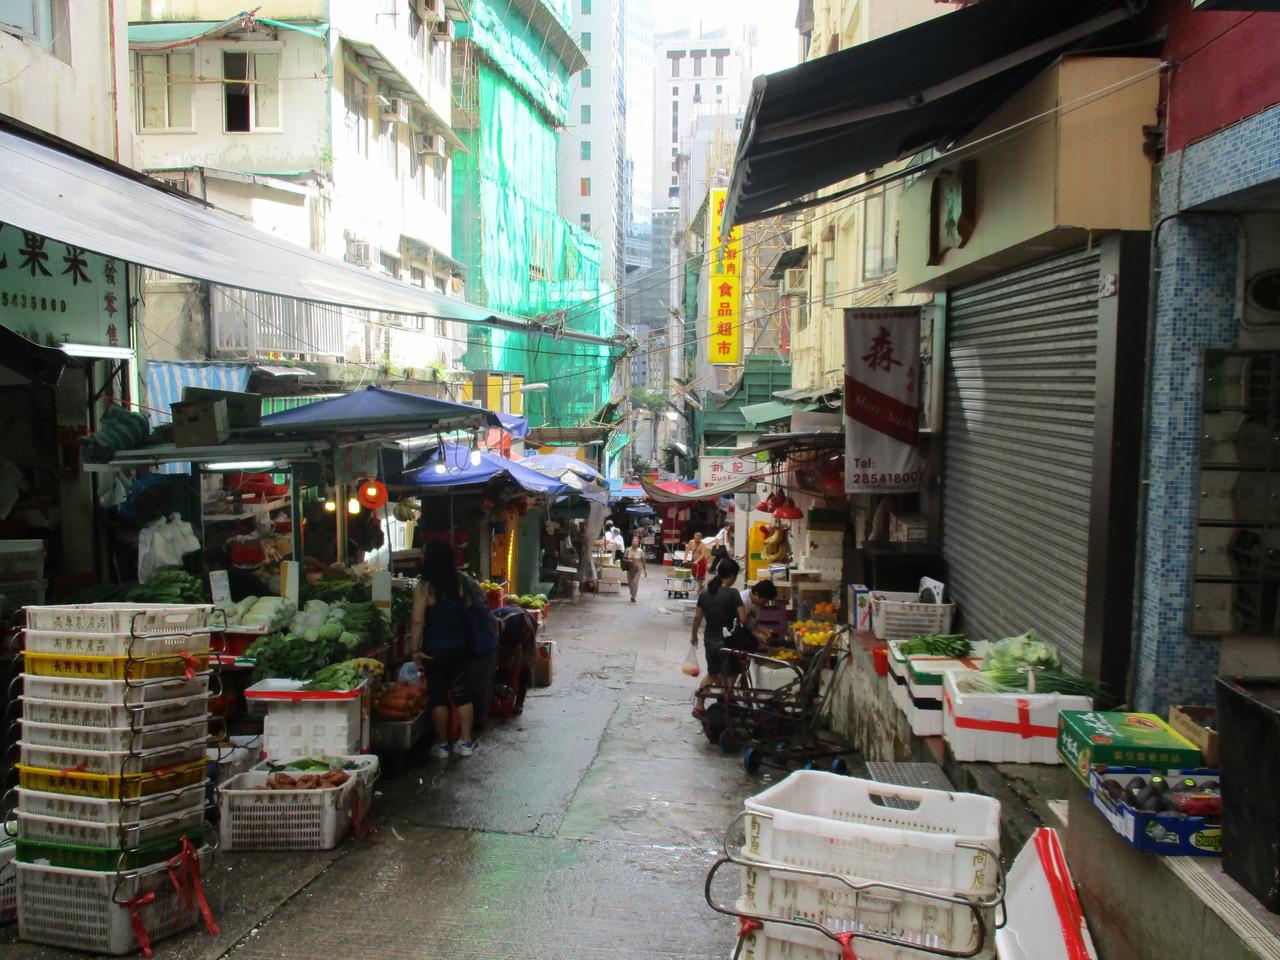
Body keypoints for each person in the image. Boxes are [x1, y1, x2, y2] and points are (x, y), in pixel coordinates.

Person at [411, 540, 476, 759]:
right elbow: (467, 608)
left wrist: (414, 651)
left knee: (438, 697)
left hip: (433, 651)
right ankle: (465, 742)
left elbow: (417, 621)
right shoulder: (459, 582)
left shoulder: (424, 588)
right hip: (459, 646)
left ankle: (441, 745)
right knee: (462, 694)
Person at [689, 558, 751, 715]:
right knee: (731, 672)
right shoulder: (733, 594)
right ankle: (725, 701)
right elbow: (743, 619)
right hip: (728, 641)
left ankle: (699, 705)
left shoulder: (705, 593)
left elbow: (697, 618)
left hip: (710, 639)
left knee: (712, 674)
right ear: (731, 576)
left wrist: (694, 635)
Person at [493, 606, 538, 714]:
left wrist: (510, 677)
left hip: (526, 625)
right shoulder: (488, 625)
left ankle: (519, 702)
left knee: (524, 665)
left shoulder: (513, 629)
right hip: (509, 627)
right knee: (504, 666)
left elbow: (516, 656)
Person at [740, 579, 780, 645]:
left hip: (746, 632)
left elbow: (753, 622)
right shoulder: (742, 600)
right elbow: (740, 625)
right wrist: (756, 634)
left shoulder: (757, 602)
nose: (764, 604)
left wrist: (765, 630)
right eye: (764, 601)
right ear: (756, 594)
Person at [623, 532, 647, 602]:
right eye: (634, 541)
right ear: (632, 542)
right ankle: (632, 593)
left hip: (638, 569)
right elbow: (624, 559)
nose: (635, 543)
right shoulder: (628, 550)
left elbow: (643, 561)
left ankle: (633, 597)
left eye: (636, 542)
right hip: (630, 569)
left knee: (635, 582)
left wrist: (645, 570)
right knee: (630, 583)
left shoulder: (640, 551)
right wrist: (628, 561)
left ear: (638, 543)